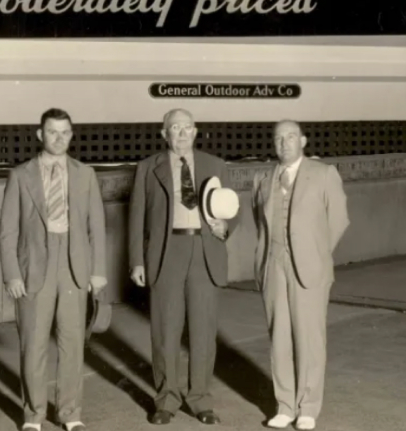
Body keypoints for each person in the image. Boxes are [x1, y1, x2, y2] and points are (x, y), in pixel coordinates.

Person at [129, 108, 240, 426]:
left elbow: (233, 209)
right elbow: (136, 217)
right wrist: (137, 260)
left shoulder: (215, 165)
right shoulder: (148, 168)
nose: (181, 132)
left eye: (187, 127)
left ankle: (201, 400)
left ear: (195, 131)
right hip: (166, 253)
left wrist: (224, 228)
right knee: (165, 331)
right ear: (164, 134)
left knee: (203, 332)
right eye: (174, 127)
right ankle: (166, 400)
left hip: (203, 252)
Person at [0, 108, 107, 431]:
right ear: (39, 135)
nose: (59, 139)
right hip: (35, 268)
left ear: (72, 135)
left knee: (72, 343)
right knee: (32, 343)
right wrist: (12, 274)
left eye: (65, 132)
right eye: (52, 132)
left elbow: (96, 227)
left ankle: (70, 413)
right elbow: (7, 231)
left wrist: (97, 270)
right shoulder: (20, 175)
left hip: (74, 266)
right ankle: (34, 415)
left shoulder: (85, 174)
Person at [251, 120, 349, 431]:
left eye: (291, 136)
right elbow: (260, 222)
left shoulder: (324, 174)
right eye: (278, 137)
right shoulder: (262, 178)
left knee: (309, 338)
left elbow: (339, 219)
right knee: (278, 336)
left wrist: (317, 253)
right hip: (274, 264)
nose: (284, 143)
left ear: (303, 141)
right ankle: (284, 405)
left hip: (310, 267)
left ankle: (308, 407)